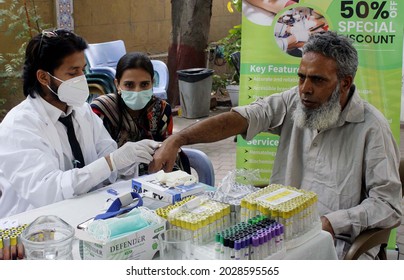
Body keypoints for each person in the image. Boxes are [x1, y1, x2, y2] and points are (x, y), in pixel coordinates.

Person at [149, 31, 403, 259]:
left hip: (338, 244)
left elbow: (389, 205)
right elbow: (242, 118)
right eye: (301, 77)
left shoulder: (371, 128)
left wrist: (334, 222)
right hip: (277, 234)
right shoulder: (294, 101)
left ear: (345, 83)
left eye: (317, 80)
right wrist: (178, 139)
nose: (305, 89)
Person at [0, 29, 159, 219]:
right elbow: (50, 192)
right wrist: (111, 162)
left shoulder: (81, 111)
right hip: (34, 227)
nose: (81, 79)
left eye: (83, 70)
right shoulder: (19, 127)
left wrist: (128, 160)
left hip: (86, 214)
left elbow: (107, 160)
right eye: (73, 72)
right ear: (43, 77)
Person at [91, 52, 189, 175]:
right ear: (117, 84)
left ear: (152, 83)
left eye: (144, 84)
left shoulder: (161, 110)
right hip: (111, 179)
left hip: (155, 177)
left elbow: (166, 148)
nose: (137, 91)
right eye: (129, 85)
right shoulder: (102, 110)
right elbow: (96, 159)